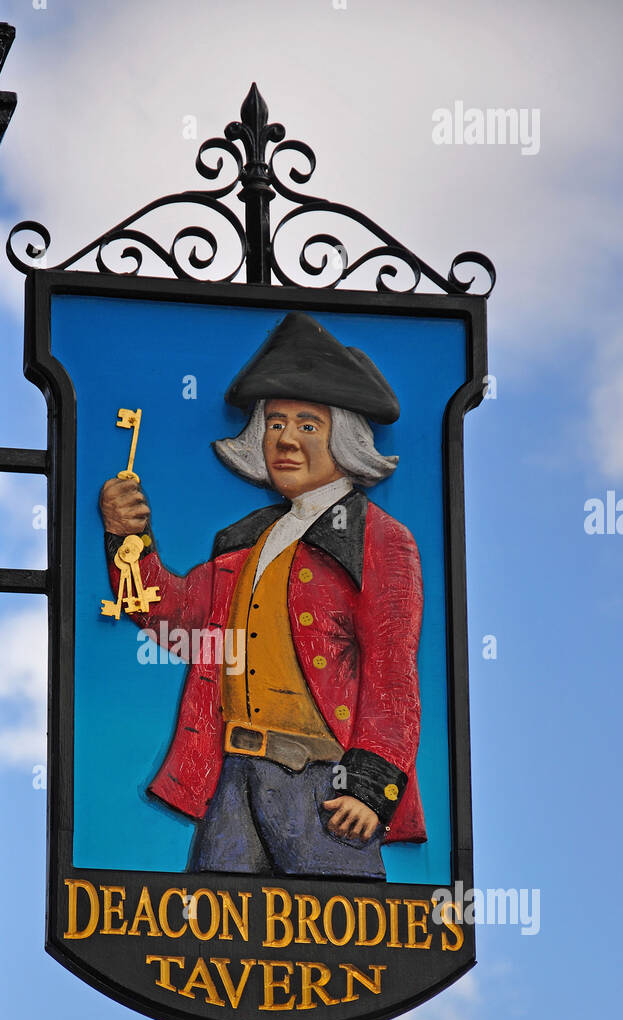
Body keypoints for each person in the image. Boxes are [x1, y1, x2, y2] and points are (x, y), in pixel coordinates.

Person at [99, 311, 426, 878]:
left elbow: (392, 672)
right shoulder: (247, 540)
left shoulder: (382, 540)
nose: (287, 441)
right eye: (276, 424)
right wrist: (128, 538)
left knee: (345, 949)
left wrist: (370, 786)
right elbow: (173, 615)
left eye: (307, 425)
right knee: (208, 941)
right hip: (231, 782)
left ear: (343, 437)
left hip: (327, 791)